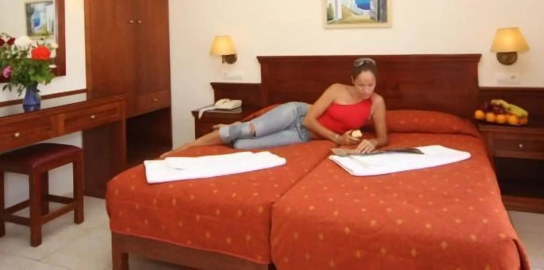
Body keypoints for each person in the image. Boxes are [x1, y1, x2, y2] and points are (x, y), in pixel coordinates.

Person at [161, 57, 388, 157]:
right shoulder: (336, 89)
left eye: (370, 85)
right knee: (243, 131)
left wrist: (373, 142)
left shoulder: (376, 102)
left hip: (303, 136)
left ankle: (240, 127)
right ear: (352, 80)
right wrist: (337, 138)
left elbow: (383, 137)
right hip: (296, 115)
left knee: (240, 145)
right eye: (361, 85)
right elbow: (309, 119)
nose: (366, 90)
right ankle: (186, 147)